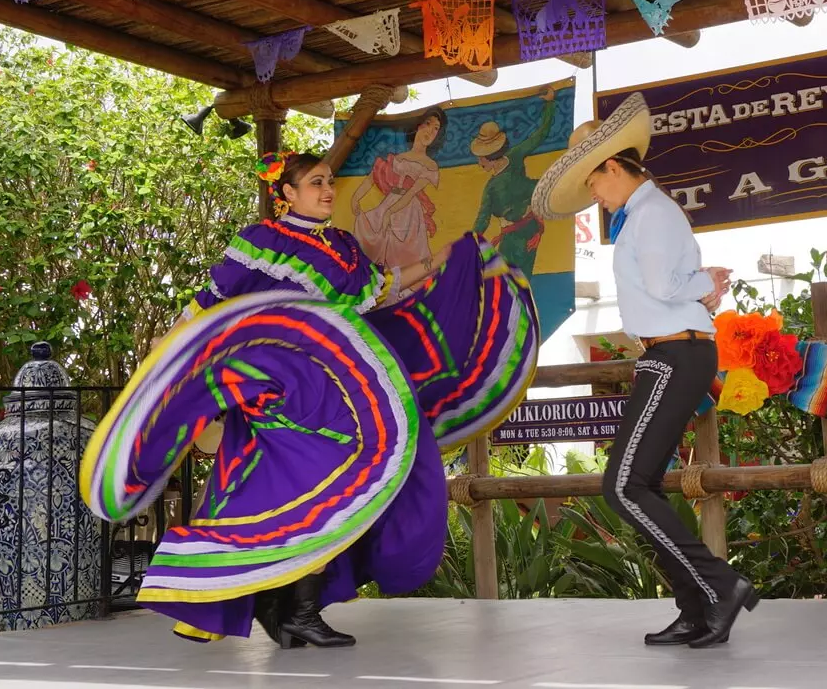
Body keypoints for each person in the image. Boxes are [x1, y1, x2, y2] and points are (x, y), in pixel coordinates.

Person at [81, 150, 539, 649]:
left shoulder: (342, 245)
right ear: (287, 194)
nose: (327, 191)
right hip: (286, 388)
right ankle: (286, 605)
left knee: (358, 477)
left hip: (342, 384)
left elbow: (379, 293)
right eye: (316, 182)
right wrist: (170, 355)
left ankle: (290, 608)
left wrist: (443, 261)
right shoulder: (263, 243)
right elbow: (209, 303)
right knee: (320, 479)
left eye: (330, 183)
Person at [531, 93, 756, 649]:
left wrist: (705, 283)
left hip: (675, 354)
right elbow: (673, 290)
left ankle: (719, 586)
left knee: (623, 486)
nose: (594, 196)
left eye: (593, 184)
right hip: (674, 351)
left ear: (611, 165)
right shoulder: (645, 216)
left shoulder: (651, 213)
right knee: (639, 484)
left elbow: (663, 288)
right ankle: (699, 606)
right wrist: (703, 286)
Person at [471, 86, 557, 275]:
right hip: (520, 234)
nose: (479, 162)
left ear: (490, 155)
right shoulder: (492, 186)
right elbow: (481, 221)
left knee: (514, 287)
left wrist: (550, 104)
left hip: (526, 234)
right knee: (516, 287)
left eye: (481, 157)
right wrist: (468, 243)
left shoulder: (497, 181)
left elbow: (539, 136)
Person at [351, 107, 447, 269]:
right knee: (370, 235)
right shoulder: (398, 158)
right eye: (428, 124)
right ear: (418, 126)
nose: (430, 131)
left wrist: (390, 212)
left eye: (436, 128)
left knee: (406, 256)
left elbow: (410, 194)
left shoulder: (430, 166)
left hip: (408, 212)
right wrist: (356, 197)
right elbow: (372, 178)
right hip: (388, 203)